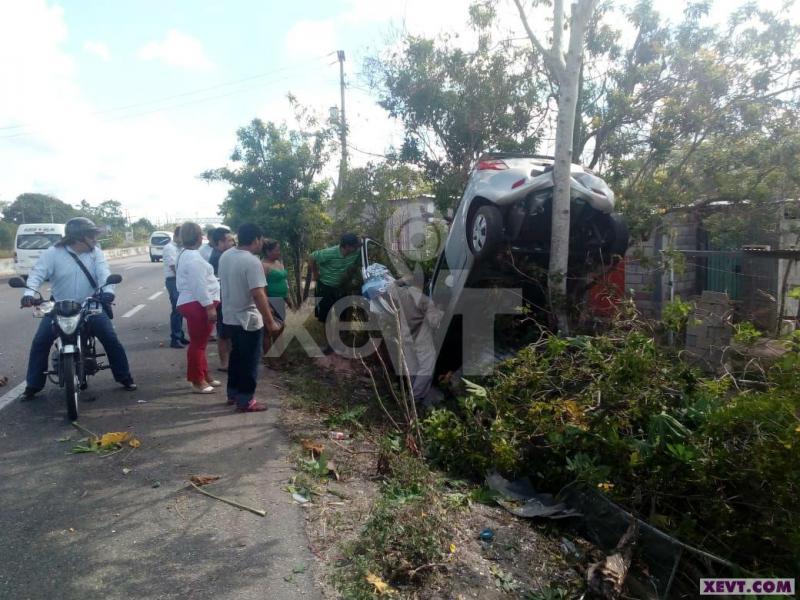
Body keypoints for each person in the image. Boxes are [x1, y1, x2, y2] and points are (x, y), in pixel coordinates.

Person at [20, 217, 136, 399]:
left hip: (90, 304)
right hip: (60, 306)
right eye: (92, 236)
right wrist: (28, 294)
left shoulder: (96, 253)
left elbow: (104, 273)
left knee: (110, 338)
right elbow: (37, 274)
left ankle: (124, 377)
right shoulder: (53, 253)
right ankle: (33, 385)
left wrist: (108, 291)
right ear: (79, 237)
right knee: (41, 341)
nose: (95, 240)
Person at [218, 223, 281, 412]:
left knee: (236, 356)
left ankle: (233, 393)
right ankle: (246, 400)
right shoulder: (252, 261)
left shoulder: (226, 255)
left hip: (230, 316)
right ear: (255, 240)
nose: (262, 243)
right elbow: (258, 294)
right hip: (248, 319)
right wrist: (270, 322)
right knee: (250, 361)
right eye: (260, 239)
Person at [175, 222, 220, 394]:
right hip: (198, 303)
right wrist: (209, 307)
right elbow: (199, 285)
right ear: (199, 236)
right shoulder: (193, 258)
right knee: (198, 344)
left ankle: (203, 375)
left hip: (194, 302)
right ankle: (197, 380)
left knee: (200, 343)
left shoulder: (187, 254)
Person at [309, 232, 361, 324]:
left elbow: (363, 244)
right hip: (325, 287)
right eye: (355, 246)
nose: (357, 248)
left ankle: (341, 332)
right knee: (325, 314)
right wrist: (315, 273)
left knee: (342, 311)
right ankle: (326, 334)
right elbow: (312, 257)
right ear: (347, 246)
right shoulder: (330, 253)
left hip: (340, 286)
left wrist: (364, 238)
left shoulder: (355, 252)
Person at [208, 227, 235, 371]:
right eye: (229, 240)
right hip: (222, 300)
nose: (232, 243)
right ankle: (225, 364)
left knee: (227, 333)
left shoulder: (222, 255)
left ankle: (229, 362)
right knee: (223, 334)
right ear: (220, 242)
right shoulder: (218, 257)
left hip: (225, 299)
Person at [261, 239, 290, 361]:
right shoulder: (263, 265)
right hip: (271, 300)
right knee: (268, 331)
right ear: (268, 251)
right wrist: (267, 305)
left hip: (281, 300)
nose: (279, 252)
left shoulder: (278, 262)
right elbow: (262, 287)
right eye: (276, 250)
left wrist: (288, 299)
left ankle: (281, 355)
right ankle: (269, 359)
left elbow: (283, 281)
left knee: (280, 329)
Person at [163, 226, 189, 348]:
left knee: (182, 309)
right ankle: (175, 338)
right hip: (174, 281)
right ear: (176, 236)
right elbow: (174, 267)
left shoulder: (181, 248)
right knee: (177, 309)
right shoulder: (169, 248)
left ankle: (180, 335)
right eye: (182, 237)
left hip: (180, 280)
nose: (183, 240)